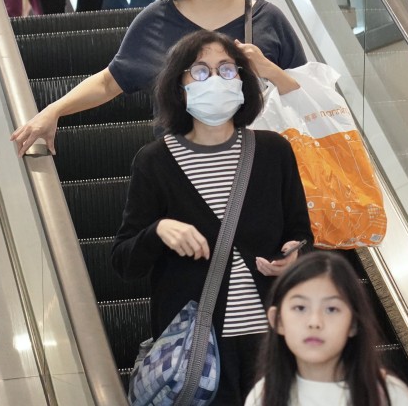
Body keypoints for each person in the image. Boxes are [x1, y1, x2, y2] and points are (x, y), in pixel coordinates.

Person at [11, 0, 307, 156]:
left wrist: (268, 70)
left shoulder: (267, 18)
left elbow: (308, 94)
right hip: (180, 171)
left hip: (262, 166)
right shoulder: (156, 22)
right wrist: (54, 111)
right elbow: (109, 82)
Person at [112, 30, 314, 404]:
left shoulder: (273, 151)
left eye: (227, 69)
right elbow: (124, 261)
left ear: (242, 80)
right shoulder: (154, 162)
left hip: (274, 337)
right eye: (201, 71)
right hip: (199, 350)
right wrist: (159, 231)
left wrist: (294, 255)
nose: (216, 79)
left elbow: (301, 232)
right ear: (180, 85)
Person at [244, 252, 408, 406]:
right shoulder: (263, 396)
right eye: (300, 308)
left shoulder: (389, 395)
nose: (315, 322)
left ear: (354, 323)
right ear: (278, 321)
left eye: (331, 309)